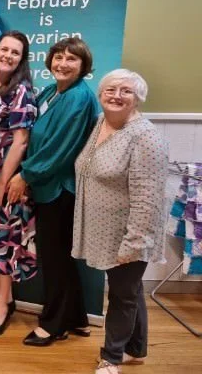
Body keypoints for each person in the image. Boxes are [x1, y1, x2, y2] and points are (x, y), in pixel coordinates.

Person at [72, 69, 168, 374]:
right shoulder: (102, 123)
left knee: (122, 295)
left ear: (137, 97)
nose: (116, 96)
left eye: (126, 91)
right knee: (130, 289)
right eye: (111, 89)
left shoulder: (146, 137)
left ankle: (111, 358)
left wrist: (135, 242)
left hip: (129, 232)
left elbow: (147, 198)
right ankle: (136, 347)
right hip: (104, 229)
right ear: (100, 94)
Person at [8, 37, 99, 346]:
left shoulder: (78, 98)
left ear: (84, 65)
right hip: (47, 187)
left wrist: (25, 176)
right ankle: (76, 319)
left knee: (56, 259)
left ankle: (53, 325)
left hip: (60, 190)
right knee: (61, 257)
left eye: (72, 59)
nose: (63, 63)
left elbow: (60, 149)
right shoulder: (52, 91)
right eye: (58, 57)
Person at [0, 30, 37, 338]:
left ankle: (1, 307)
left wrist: (1, 183)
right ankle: (6, 300)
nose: (8, 55)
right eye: (4, 49)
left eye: (16, 52)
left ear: (21, 59)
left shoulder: (21, 92)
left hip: (4, 179)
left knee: (3, 242)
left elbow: (21, 141)